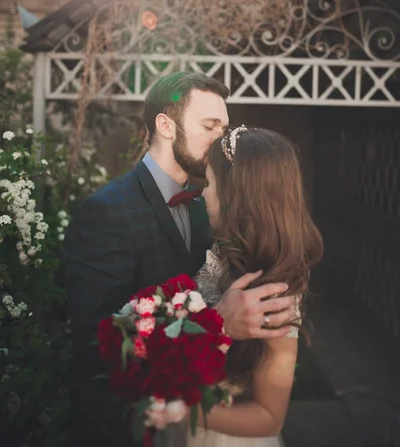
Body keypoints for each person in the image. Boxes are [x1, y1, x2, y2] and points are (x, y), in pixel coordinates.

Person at [63, 72, 297, 447]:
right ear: (165, 126)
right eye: (209, 126)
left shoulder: (219, 209)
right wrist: (217, 324)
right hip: (129, 428)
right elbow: (96, 343)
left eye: (224, 127)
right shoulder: (106, 212)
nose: (222, 139)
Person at [188, 125, 323, 447]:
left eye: (210, 183)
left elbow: (269, 416)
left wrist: (181, 408)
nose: (203, 192)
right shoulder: (220, 253)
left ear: (237, 194)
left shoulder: (275, 292)